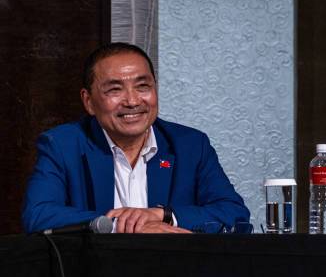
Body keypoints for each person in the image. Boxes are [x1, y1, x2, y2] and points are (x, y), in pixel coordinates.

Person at [22, 43, 250, 234]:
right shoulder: (62, 145)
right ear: (88, 101)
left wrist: (163, 215)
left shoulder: (190, 145)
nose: (132, 101)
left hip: (175, 276)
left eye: (143, 86)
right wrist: (125, 226)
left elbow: (235, 214)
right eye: (115, 89)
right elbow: (38, 214)